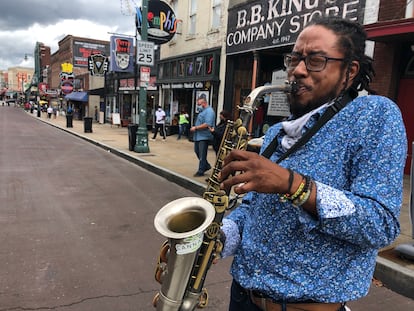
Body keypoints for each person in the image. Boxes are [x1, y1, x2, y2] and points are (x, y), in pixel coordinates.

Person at [218, 16, 407, 311]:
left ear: (349, 71)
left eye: (316, 60)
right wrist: (217, 237)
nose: (298, 71)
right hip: (243, 298)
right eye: (294, 59)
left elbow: (380, 224)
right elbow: (253, 212)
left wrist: (291, 184)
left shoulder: (375, 115)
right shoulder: (275, 134)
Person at [190, 94, 215, 177]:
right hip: (198, 136)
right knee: (197, 151)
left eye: (199, 104)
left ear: (204, 103)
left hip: (204, 136)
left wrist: (196, 128)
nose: (198, 106)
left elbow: (207, 124)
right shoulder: (203, 111)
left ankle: (201, 170)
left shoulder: (209, 111)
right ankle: (206, 165)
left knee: (202, 154)